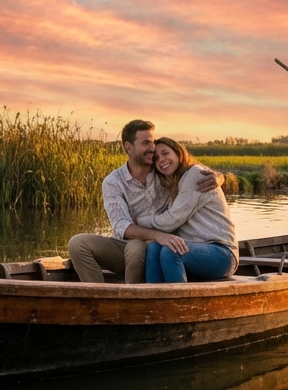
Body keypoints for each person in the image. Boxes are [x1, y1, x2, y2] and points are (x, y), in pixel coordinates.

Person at [67, 120, 222, 283]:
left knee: (137, 248)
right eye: (146, 143)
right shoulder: (113, 182)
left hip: (161, 250)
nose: (153, 148)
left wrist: (218, 177)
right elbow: (121, 226)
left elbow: (190, 169)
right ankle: (98, 297)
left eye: (153, 142)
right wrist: (158, 235)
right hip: (128, 248)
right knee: (77, 243)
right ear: (128, 147)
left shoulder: (164, 171)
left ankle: (133, 301)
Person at [136, 137, 238, 283]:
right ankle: (155, 301)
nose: (161, 160)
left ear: (178, 152)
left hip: (222, 253)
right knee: (154, 248)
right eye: (156, 158)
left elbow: (171, 220)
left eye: (165, 153)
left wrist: (137, 222)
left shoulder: (196, 175)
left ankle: (180, 303)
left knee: (171, 251)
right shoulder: (173, 182)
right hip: (195, 250)